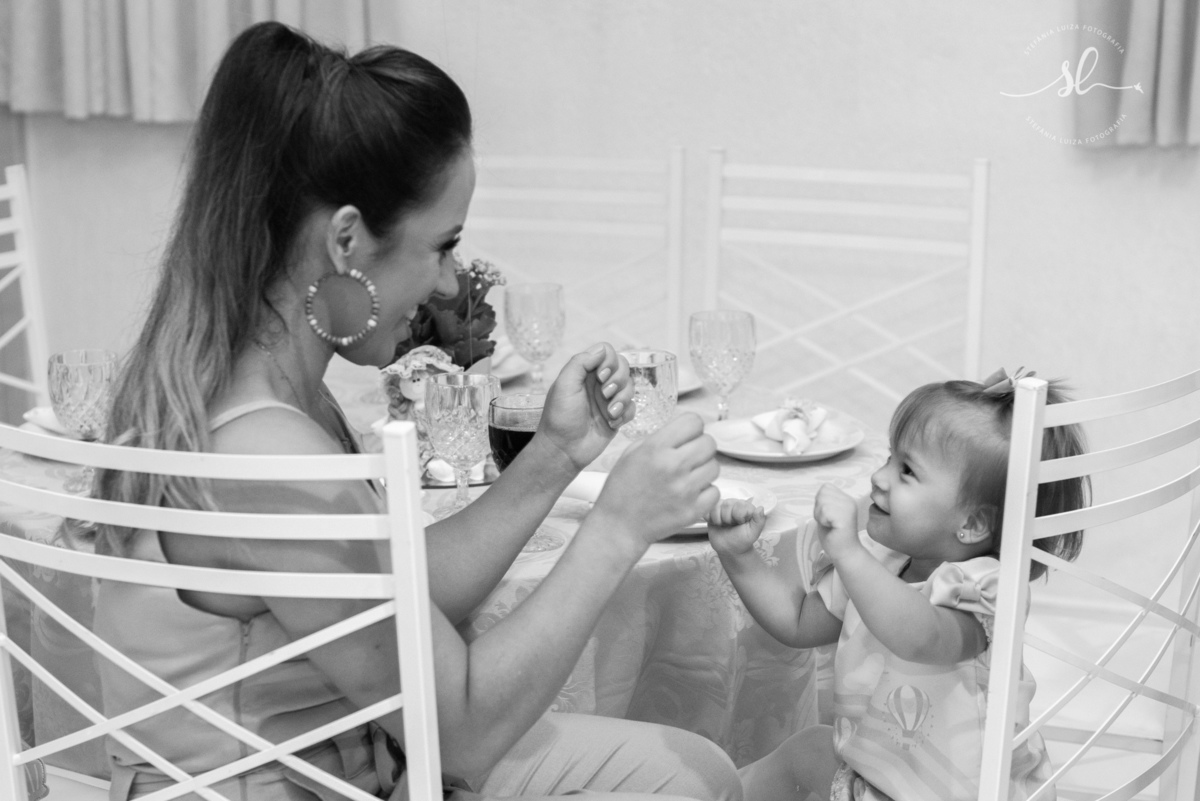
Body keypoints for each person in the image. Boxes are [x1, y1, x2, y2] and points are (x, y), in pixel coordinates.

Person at [92, 21, 738, 801]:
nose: (449, 283)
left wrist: (555, 453)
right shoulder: (268, 458)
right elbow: (458, 730)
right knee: (688, 781)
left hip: (350, 773)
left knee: (693, 771)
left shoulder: (254, 393)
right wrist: (618, 528)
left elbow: (395, 592)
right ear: (346, 240)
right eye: (442, 245)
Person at [705, 370, 1090, 801]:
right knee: (807, 748)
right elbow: (797, 622)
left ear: (973, 524)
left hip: (956, 791)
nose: (879, 478)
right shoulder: (881, 562)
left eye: (907, 471)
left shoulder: (986, 586)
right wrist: (739, 555)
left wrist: (850, 554)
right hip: (883, 776)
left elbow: (922, 638)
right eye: (890, 458)